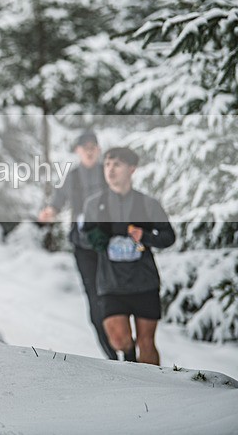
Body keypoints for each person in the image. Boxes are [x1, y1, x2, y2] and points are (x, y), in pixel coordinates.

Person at [80, 147, 175, 365]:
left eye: (117, 165)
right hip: (111, 284)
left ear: (132, 169)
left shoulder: (147, 204)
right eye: (107, 164)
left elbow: (169, 237)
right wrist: (95, 238)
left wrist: (146, 236)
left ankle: (156, 388)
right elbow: (82, 237)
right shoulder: (94, 204)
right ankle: (130, 363)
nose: (110, 170)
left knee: (147, 343)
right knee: (120, 340)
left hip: (144, 283)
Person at [38, 131, 117, 360]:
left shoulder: (109, 173)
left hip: (110, 243)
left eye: (93, 146)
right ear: (78, 151)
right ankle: (113, 356)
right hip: (83, 246)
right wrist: (48, 212)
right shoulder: (72, 177)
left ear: (99, 150)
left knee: (114, 298)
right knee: (94, 300)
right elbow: (57, 202)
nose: (89, 150)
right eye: (85, 147)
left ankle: (128, 352)